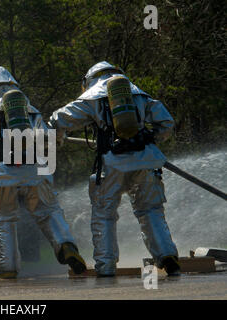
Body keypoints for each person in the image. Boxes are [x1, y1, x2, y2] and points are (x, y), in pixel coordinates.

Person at [49, 61, 180, 276]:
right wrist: (149, 138)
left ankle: (106, 266)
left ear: (88, 81)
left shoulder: (92, 97)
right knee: (151, 211)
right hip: (146, 162)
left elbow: (58, 120)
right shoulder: (138, 94)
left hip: (112, 164)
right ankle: (167, 256)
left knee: (104, 214)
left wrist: (57, 138)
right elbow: (166, 123)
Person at [0, 66, 87, 279]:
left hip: (3, 173)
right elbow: (46, 141)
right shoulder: (29, 109)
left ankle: (8, 267)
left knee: (4, 219)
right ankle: (65, 244)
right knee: (49, 211)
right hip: (35, 171)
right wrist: (58, 140)